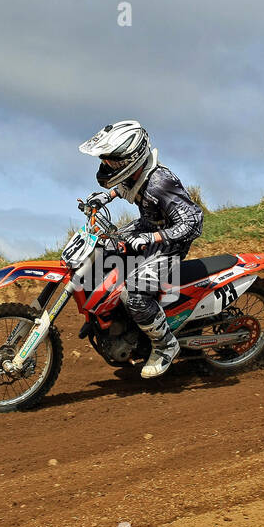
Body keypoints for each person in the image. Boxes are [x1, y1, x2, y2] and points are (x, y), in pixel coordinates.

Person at [79, 120, 203, 377]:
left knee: (134, 293)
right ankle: (112, 324)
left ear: (132, 159)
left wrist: (154, 238)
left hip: (171, 243)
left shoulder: (161, 183)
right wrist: (105, 198)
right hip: (148, 228)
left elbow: (193, 222)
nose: (106, 166)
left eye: (112, 162)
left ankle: (165, 345)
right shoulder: (137, 174)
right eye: (105, 161)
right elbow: (128, 187)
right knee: (100, 252)